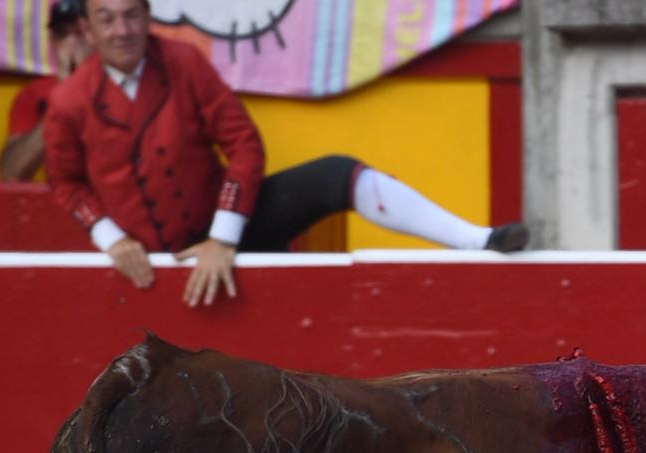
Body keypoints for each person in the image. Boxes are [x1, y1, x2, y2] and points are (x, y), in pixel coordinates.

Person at [44, 0, 530, 309]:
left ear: (149, 18)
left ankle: (474, 239)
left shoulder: (182, 62)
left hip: (227, 227)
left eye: (132, 15)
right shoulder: (69, 100)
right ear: (87, 29)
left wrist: (223, 237)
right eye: (106, 19)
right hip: (155, 260)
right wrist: (111, 238)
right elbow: (65, 182)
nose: (122, 30)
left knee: (334, 174)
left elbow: (243, 143)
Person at [0, 0, 92, 182]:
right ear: (51, 40)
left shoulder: (119, 85)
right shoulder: (33, 94)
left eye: (80, 34)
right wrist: (64, 98)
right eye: (62, 35)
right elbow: (11, 173)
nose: (71, 45)